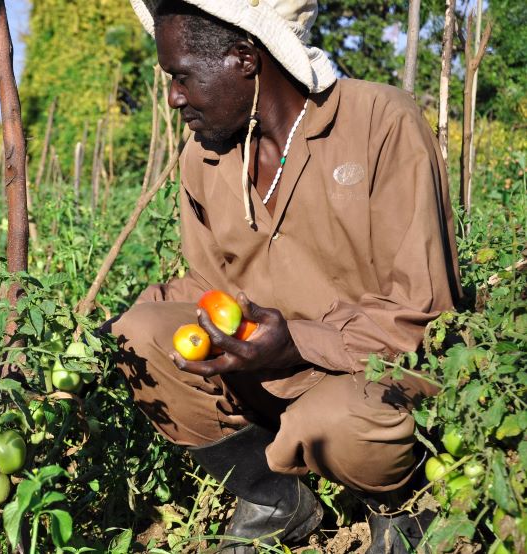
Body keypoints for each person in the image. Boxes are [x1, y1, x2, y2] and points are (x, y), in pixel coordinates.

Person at [107, 0, 462, 552]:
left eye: (181, 77)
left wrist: (294, 342)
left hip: (372, 372)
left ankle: (402, 506)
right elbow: (208, 286)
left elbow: (422, 311)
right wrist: (106, 328)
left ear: (245, 58)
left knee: (339, 421)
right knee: (140, 334)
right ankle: (274, 497)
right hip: (267, 369)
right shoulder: (203, 158)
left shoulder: (379, 121)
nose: (174, 97)